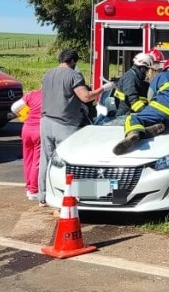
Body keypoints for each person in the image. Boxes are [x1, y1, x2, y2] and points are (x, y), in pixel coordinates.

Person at [38, 49, 113, 207]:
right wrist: (105, 88)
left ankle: (43, 195)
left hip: (45, 122)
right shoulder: (73, 75)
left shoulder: (48, 74)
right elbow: (86, 97)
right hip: (65, 124)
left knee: (46, 159)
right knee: (68, 160)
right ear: (72, 61)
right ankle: (68, 195)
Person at [112, 59, 169, 155]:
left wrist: (148, 108)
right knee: (163, 119)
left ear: (165, 69)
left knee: (132, 119)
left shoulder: (161, 76)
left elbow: (150, 96)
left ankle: (133, 133)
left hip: (163, 106)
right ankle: (154, 128)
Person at [11, 89, 42, 200]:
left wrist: (24, 115)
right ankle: (34, 190)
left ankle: (29, 187)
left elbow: (14, 107)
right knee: (37, 162)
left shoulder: (32, 94)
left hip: (27, 129)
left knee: (28, 159)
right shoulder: (51, 96)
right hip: (40, 130)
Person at [112, 49, 164, 116]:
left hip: (134, 114)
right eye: (148, 69)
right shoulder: (130, 78)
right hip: (126, 116)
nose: (150, 72)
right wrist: (147, 112)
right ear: (143, 69)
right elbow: (133, 101)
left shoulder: (140, 79)